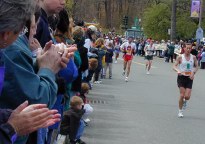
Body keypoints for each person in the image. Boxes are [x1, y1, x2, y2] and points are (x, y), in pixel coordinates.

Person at [0, 0, 60, 143]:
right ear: (6, 34)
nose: (29, 34)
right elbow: (36, 98)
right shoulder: (12, 51)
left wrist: (15, 117)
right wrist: (12, 127)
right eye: (24, 30)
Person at [173, 43, 199, 118]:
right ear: (184, 48)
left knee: (187, 96)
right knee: (182, 94)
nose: (188, 50)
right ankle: (180, 111)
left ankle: (185, 100)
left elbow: (197, 66)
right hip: (181, 77)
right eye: (187, 48)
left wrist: (193, 73)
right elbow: (174, 66)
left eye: (189, 48)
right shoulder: (180, 57)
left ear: (191, 49)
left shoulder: (193, 57)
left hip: (189, 78)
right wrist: (177, 70)